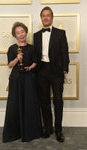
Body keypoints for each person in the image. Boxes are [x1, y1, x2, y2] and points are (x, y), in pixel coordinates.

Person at [33, 7, 69, 142]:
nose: (46, 18)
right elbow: (36, 55)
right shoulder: (36, 35)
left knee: (58, 101)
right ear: (41, 18)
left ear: (52, 17)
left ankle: (59, 130)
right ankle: (48, 128)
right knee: (44, 101)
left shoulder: (60, 33)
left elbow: (65, 52)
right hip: (41, 71)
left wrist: (64, 68)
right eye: (43, 15)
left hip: (56, 72)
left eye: (48, 15)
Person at [3, 22, 42, 143]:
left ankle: (31, 132)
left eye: (22, 32)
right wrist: (17, 58)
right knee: (15, 105)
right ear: (15, 35)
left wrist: (31, 67)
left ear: (26, 32)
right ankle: (15, 133)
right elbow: (10, 65)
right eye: (18, 33)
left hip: (29, 78)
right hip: (16, 79)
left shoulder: (32, 47)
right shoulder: (12, 49)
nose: (21, 34)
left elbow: (36, 61)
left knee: (29, 103)